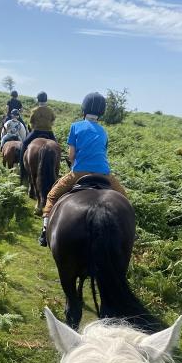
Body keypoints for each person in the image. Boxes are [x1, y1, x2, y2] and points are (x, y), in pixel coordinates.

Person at [38, 92, 127, 247]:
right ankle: (131, 232)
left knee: (52, 195)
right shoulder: (103, 131)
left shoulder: (75, 126)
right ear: (101, 112)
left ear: (84, 109)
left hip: (79, 171)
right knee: (124, 199)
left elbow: (72, 154)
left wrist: (74, 165)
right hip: (104, 173)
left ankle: (45, 231)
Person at [19, 91, 56, 173]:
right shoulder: (50, 110)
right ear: (46, 100)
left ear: (38, 100)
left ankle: (22, 168)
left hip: (36, 132)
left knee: (24, 144)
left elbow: (31, 122)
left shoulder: (34, 110)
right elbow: (53, 122)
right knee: (57, 147)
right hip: (49, 132)